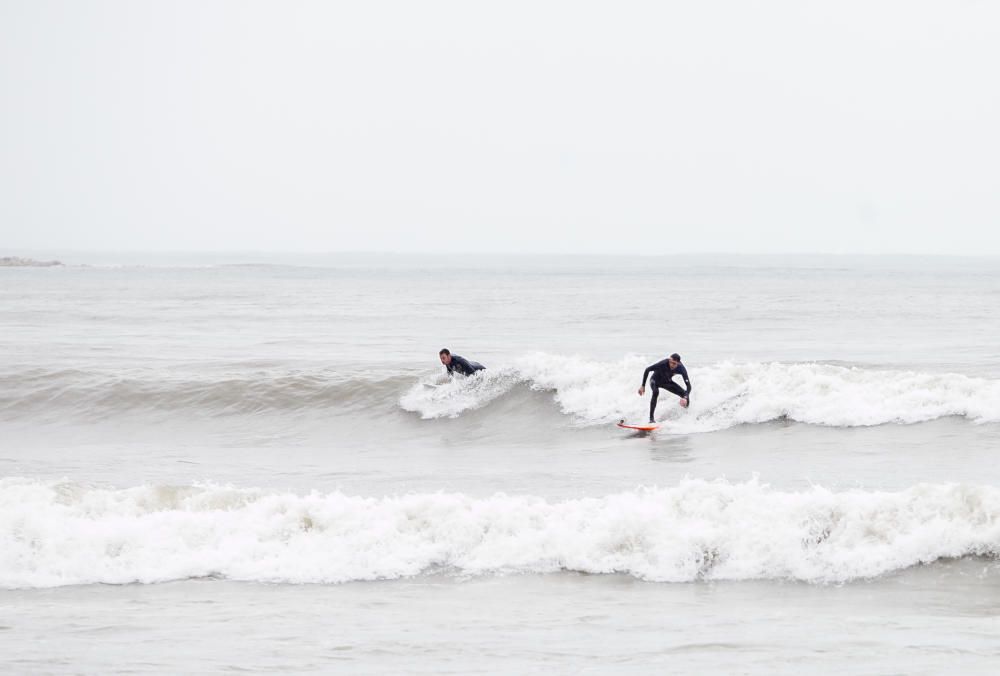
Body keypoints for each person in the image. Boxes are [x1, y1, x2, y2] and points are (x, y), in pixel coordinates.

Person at [638, 352, 691, 423]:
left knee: (685, 394)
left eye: (674, 363)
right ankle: (651, 419)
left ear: (678, 363)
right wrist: (643, 386)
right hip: (655, 381)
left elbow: (688, 386)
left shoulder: (681, 369)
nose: (671, 365)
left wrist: (685, 398)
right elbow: (647, 369)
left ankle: (686, 417)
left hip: (667, 382)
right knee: (655, 392)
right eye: (671, 362)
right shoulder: (663, 363)